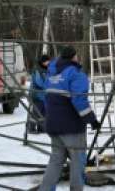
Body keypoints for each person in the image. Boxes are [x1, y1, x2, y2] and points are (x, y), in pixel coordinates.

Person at [39, 45, 100, 190]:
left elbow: (46, 97)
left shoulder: (51, 73)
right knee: (78, 161)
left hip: (53, 124)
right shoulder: (75, 73)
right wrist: (91, 119)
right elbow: (79, 100)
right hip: (71, 126)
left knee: (55, 160)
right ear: (73, 57)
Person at [28, 54, 51, 134]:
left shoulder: (48, 69)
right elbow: (39, 82)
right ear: (43, 62)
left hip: (44, 96)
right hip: (37, 95)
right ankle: (31, 128)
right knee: (35, 112)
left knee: (43, 112)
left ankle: (42, 127)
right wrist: (49, 84)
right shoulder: (38, 70)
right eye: (47, 61)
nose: (48, 62)